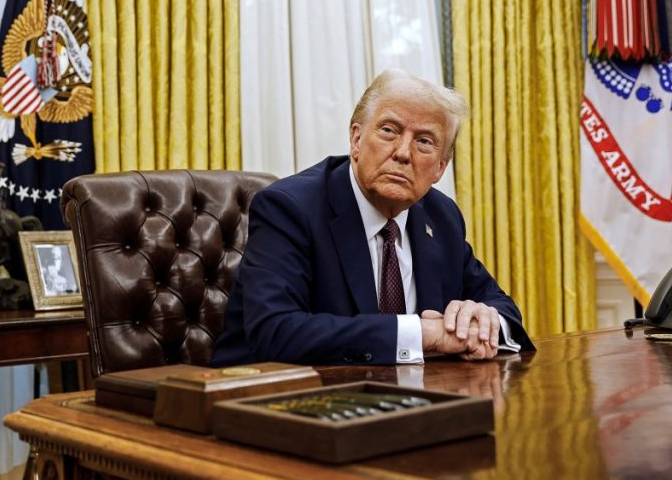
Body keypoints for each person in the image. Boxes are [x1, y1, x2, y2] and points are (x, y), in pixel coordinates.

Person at [211, 69, 534, 367]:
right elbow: (276, 332)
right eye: (389, 131)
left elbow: (503, 308)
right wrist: (423, 334)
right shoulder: (291, 208)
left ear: (440, 167)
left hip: (405, 396)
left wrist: (482, 321)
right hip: (265, 396)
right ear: (356, 139)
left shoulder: (441, 216)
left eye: (424, 141)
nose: (403, 153)